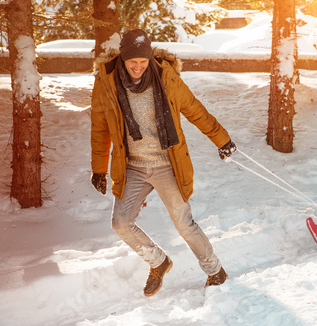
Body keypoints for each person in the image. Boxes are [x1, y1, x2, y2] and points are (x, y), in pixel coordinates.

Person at [90, 29, 237, 297]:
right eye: (132, 62)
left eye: (143, 62)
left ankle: (216, 271)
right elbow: (100, 128)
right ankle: (159, 262)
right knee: (120, 223)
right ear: (122, 58)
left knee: (183, 223)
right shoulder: (107, 83)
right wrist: (99, 169)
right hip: (132, 166)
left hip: (167, 163)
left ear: (149, 59)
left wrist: (222, 139)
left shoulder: (166, 78)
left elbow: (195, 110)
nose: (137, 67)